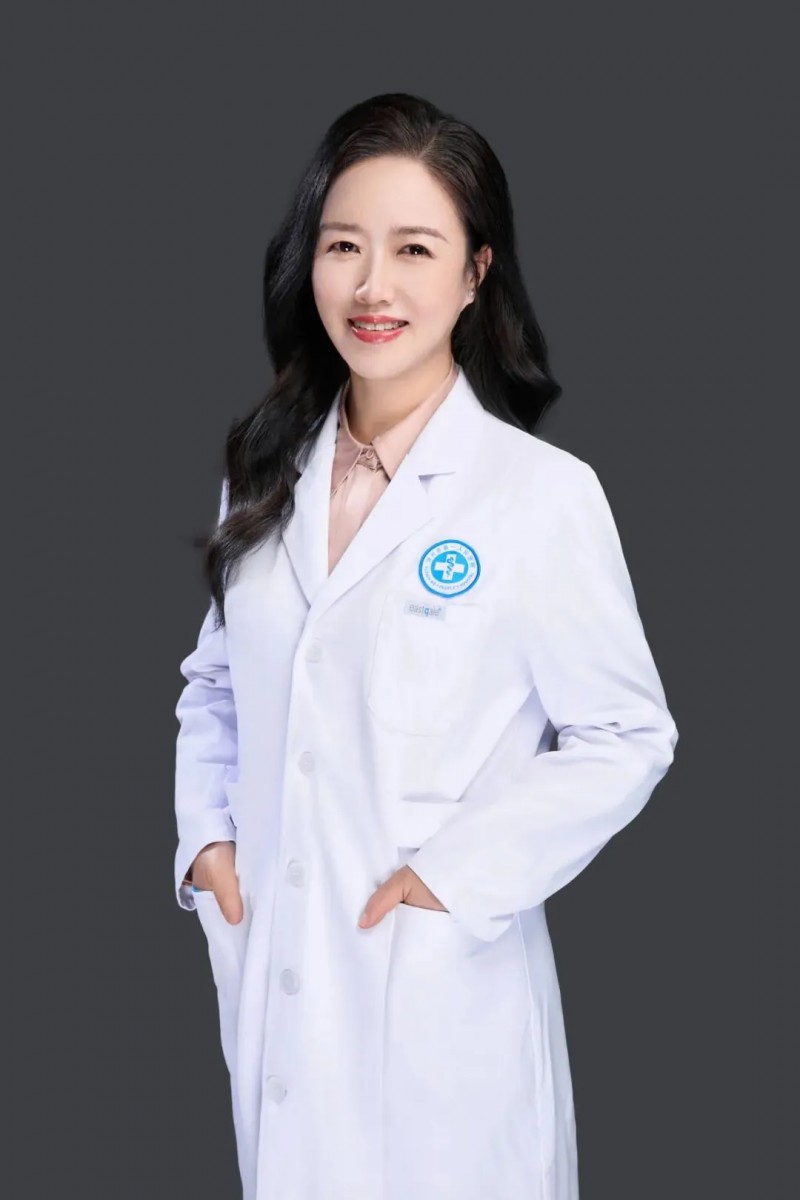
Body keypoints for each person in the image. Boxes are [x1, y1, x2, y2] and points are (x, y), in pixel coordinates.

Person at [173, 92, 678, 1200]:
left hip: (442, 1013)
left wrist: (449, 882)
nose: (372, 287)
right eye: (342, 246)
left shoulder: (536, 495)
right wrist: (209, 846)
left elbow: (626, 733)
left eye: (413, 249)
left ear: (474, 272)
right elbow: (217, 685)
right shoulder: (262, 474)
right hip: (281, 996)